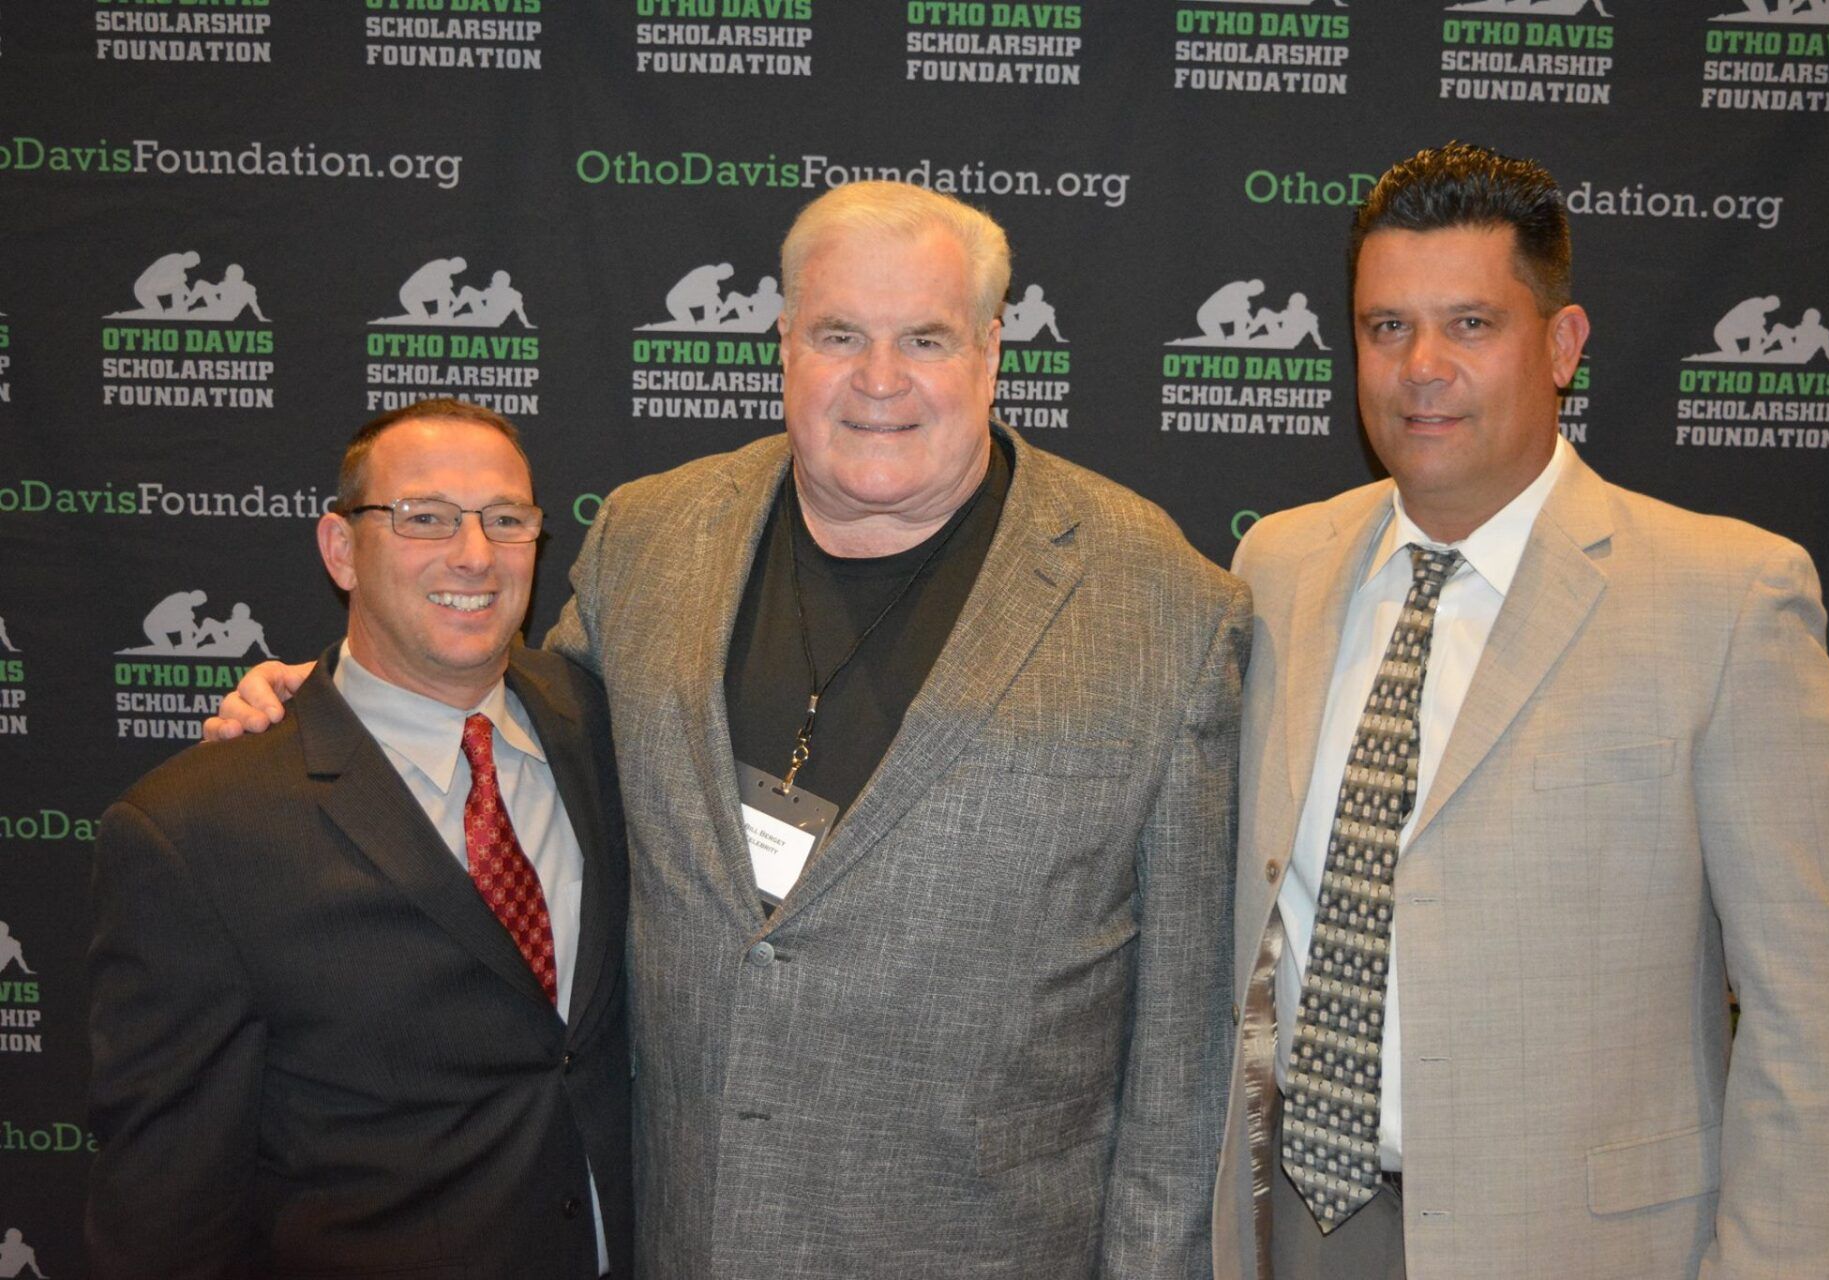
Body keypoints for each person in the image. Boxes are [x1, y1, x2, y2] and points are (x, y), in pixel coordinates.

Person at [215, 182, 1248, 1279]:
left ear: (993, 350)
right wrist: (346, 705)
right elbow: (521, 738)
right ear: (784, 343)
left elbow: (1183, 1066)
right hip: (678, 1239)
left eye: (927, 338)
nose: (880, 379)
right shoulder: (653, 535)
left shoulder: (1165, 609)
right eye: (839, 334)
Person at [1215, 142, 1829, 1279]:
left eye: (1471, 325)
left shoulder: (1727, 599)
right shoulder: (1278, 566)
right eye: (1387, 326)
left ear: (1562, 345)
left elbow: (1818, 1006)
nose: (1421, 368)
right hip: (1302, 1226)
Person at [90, 400, 633, 1279]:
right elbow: (166, 1212)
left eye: (506, 519)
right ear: (341, 549)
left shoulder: (606, 730)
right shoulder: (196, 831)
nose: (474, 554)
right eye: (425, 518)